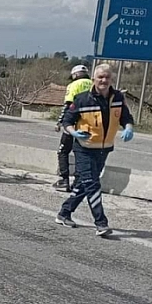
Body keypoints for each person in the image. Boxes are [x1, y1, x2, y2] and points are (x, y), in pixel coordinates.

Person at [55, 63, 134, 237]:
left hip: (104, 149)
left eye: (107, 77)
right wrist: (74, 132)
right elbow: (67, 121)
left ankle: (64, 212)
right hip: (84, 148)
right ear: (93, 79)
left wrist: (128, 127)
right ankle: (101, 223)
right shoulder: (82, 99)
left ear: (111, 79)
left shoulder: (118, 98)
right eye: (100, 77)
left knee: (85, 184)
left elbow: (126, 117)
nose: (104, 80)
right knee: (92, 184)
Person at [54, 64, 93, 192]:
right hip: (90, 125)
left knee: (63, 151)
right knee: (81, 153)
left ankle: (64, 180)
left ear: (75, 75)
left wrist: (60, 121)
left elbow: (68, 105)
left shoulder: (73, 85)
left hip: (73, 124)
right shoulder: (94, 84)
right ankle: (78, 182)